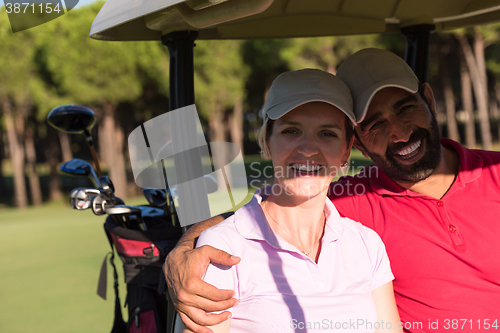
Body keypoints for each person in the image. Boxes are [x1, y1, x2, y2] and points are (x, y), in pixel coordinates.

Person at [166, 49, 500, 333]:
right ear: (359, 145)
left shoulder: (363, 239)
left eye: (405, 108)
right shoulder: (351, 198)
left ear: (428, 100)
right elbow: (265, 214)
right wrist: (184, 250)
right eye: (375, 125)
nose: (398, 134)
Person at [182, 68, 401, 333]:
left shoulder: (366, 244)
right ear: (267, 141)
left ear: (346, 150)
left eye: (327, 134)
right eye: (291, 131)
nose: (308, 148)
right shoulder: (224, 247)